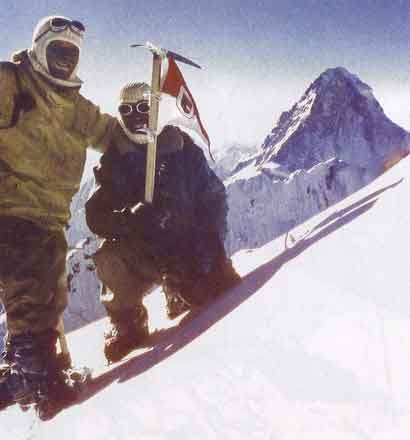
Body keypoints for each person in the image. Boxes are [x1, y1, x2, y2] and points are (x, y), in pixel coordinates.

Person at [0, 16, 125, 413]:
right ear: (39, 48)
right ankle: (33, 370)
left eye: (71, 54)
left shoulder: (75, 107)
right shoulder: (11, 81)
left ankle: (36, 374)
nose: (65, 60)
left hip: (49, 215)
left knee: (49, 292)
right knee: (31, 281)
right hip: (10, 207)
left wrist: (147, 135)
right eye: (57, 50)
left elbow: (109, 134)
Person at [85, 82, 240, 363]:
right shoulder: (115, 160)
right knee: (108, 255)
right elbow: (95, 215)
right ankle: (128, 321)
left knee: (217, 291)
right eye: (126, 109)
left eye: (144, 107)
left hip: (189, 244)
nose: (135, 115)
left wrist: (213, 244)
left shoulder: (181, 148)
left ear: (156, 109)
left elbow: (213, 197)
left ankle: (182, 288)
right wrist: (129, 220)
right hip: (146, 250)